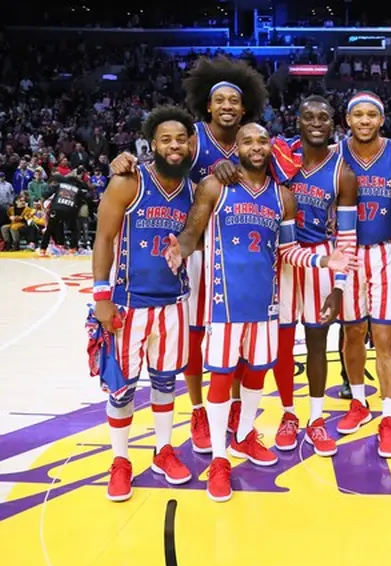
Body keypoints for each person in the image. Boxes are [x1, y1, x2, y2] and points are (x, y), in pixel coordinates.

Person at [164, 123, 351, 501]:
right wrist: (178, 250)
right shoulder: (214, 187)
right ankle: (220, 458)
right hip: (225, 304)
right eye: (247, 140)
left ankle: (245, 433)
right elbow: (192, 233)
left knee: (256, 372)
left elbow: (288, 251)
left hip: (265, 304)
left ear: (271, 148)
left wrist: (323, 260)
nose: (255, 146)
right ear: (237, 148)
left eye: (262, 141)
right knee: (221, 378)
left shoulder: (283, 197)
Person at [108, 55, 268, 454]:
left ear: (244, 108)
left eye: (235, 101)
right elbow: (164, 159)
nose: (228, 106)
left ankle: (233, 408)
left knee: (237, 338)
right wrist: (122, 160)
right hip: (193, 254)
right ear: (208, 106)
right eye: (221, 100)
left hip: (235, 259)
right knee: (196, 336)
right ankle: (198, 410)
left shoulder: (253, 141)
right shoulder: (193, 139)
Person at [91, 106, 198, 502]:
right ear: (152, 144)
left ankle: (163, 451)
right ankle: (120, 460)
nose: (174, 145)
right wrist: (101, 297)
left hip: (172, 303)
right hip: (128, 304)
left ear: (190, 145)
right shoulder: (128, 181)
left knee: (165, 383)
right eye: (166, 139)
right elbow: (103, 239)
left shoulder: (193, 190)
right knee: (122, 390)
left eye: (181, 139)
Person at [272, 96, 359, 456]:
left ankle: (316, 418)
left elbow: (348, 236)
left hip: (322, 257)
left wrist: (339, 288)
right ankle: (288, 414)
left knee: (317, 343)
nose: (317, 123)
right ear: (298, 120)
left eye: (324, 117)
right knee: (281, 344)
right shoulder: (278, 158)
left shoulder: (343, 173)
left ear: (333, 123)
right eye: (309, 117)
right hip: (279, 260)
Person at [335, 92, 391, 456]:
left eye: (371, 115)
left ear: (381, 120)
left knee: (384, 337)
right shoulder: (334, 155)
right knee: (352, 332)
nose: (364, 121)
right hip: (346, 253)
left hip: (384, 252)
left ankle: (389, 417)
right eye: (358, 115)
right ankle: (358, 402)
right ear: (348, 120)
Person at [39, 168, 92, 255]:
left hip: (56, 209)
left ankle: (43, 249)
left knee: (49, 230)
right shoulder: (78, 190)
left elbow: (44, 195)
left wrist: (44, 209)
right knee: (74, 230)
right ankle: (72, 249)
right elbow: (85, 200)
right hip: (69, 210)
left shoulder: (59, 185)